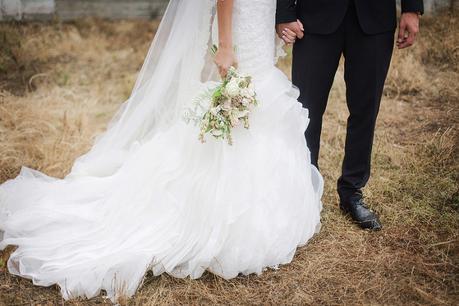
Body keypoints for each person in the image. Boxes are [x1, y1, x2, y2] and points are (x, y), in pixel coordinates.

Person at [0, 0, 322, 302]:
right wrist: (225, 44)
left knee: (257, 108)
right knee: (237, 110)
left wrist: (277, 21)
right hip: (238, 30)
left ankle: (259, 207)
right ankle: (215, 211)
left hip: (257, 22)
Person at [276, 0, 424, 230]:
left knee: (366, 109)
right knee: (305, 110)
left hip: (374, 17)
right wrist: (284, 12)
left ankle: (351, 192)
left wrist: (411, 8)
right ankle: (303, 192)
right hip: (315, 17)